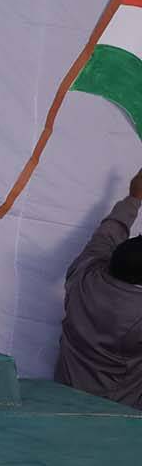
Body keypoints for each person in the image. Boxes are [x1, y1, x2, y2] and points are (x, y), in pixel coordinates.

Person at [54, 169, 142, 408]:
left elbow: (107, 236)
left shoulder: (85, 275)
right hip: (116, 417)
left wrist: (134, 197)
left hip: (60, 402)